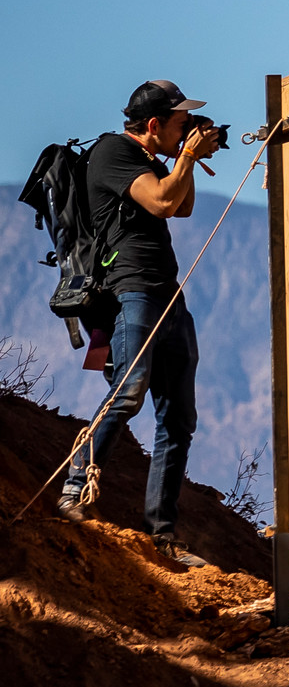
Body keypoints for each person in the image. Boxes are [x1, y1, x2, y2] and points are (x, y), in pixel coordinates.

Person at [57, 80, 215, 565]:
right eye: (180, 122)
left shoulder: (150, 160)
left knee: (178, 418)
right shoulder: (112, 152)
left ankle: (162, 533)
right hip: (130, 292)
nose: (186, 128)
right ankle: (75, 489)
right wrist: (186, 157)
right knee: (128, 391)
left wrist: (185, 156)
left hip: (166, 294)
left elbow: (182, 205)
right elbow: (164, 202)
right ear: (153, 125)